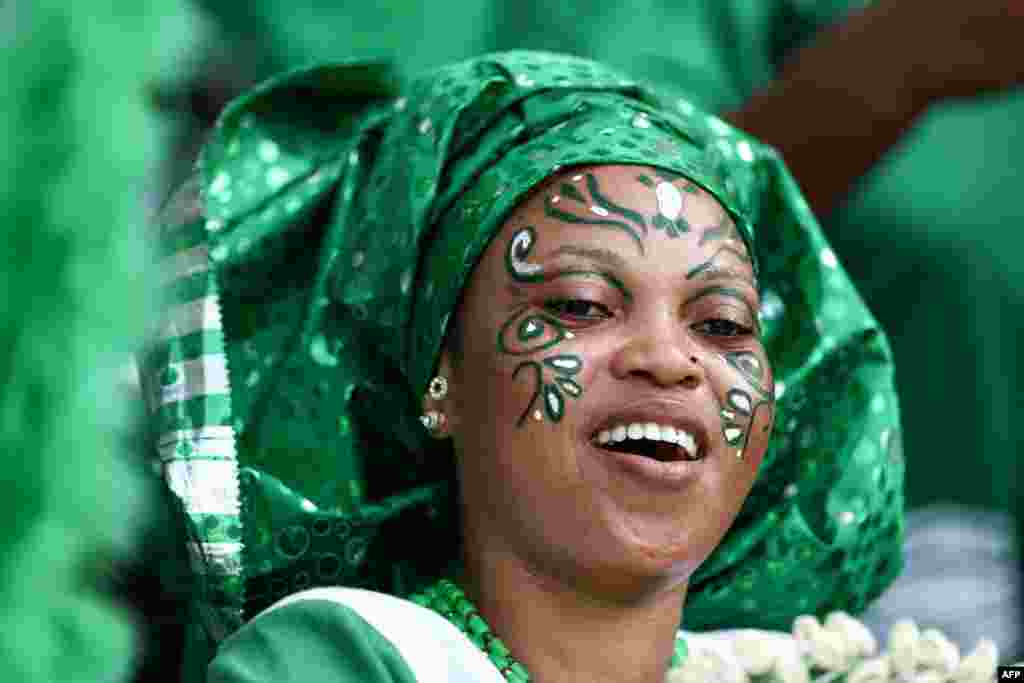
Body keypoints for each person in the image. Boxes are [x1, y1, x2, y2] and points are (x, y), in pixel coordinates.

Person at [141, 51, 911, 681]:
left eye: (721, 324)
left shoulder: (793, 670)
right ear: (440, 380)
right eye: (580, 304)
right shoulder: (339, 658)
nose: (670, 359)